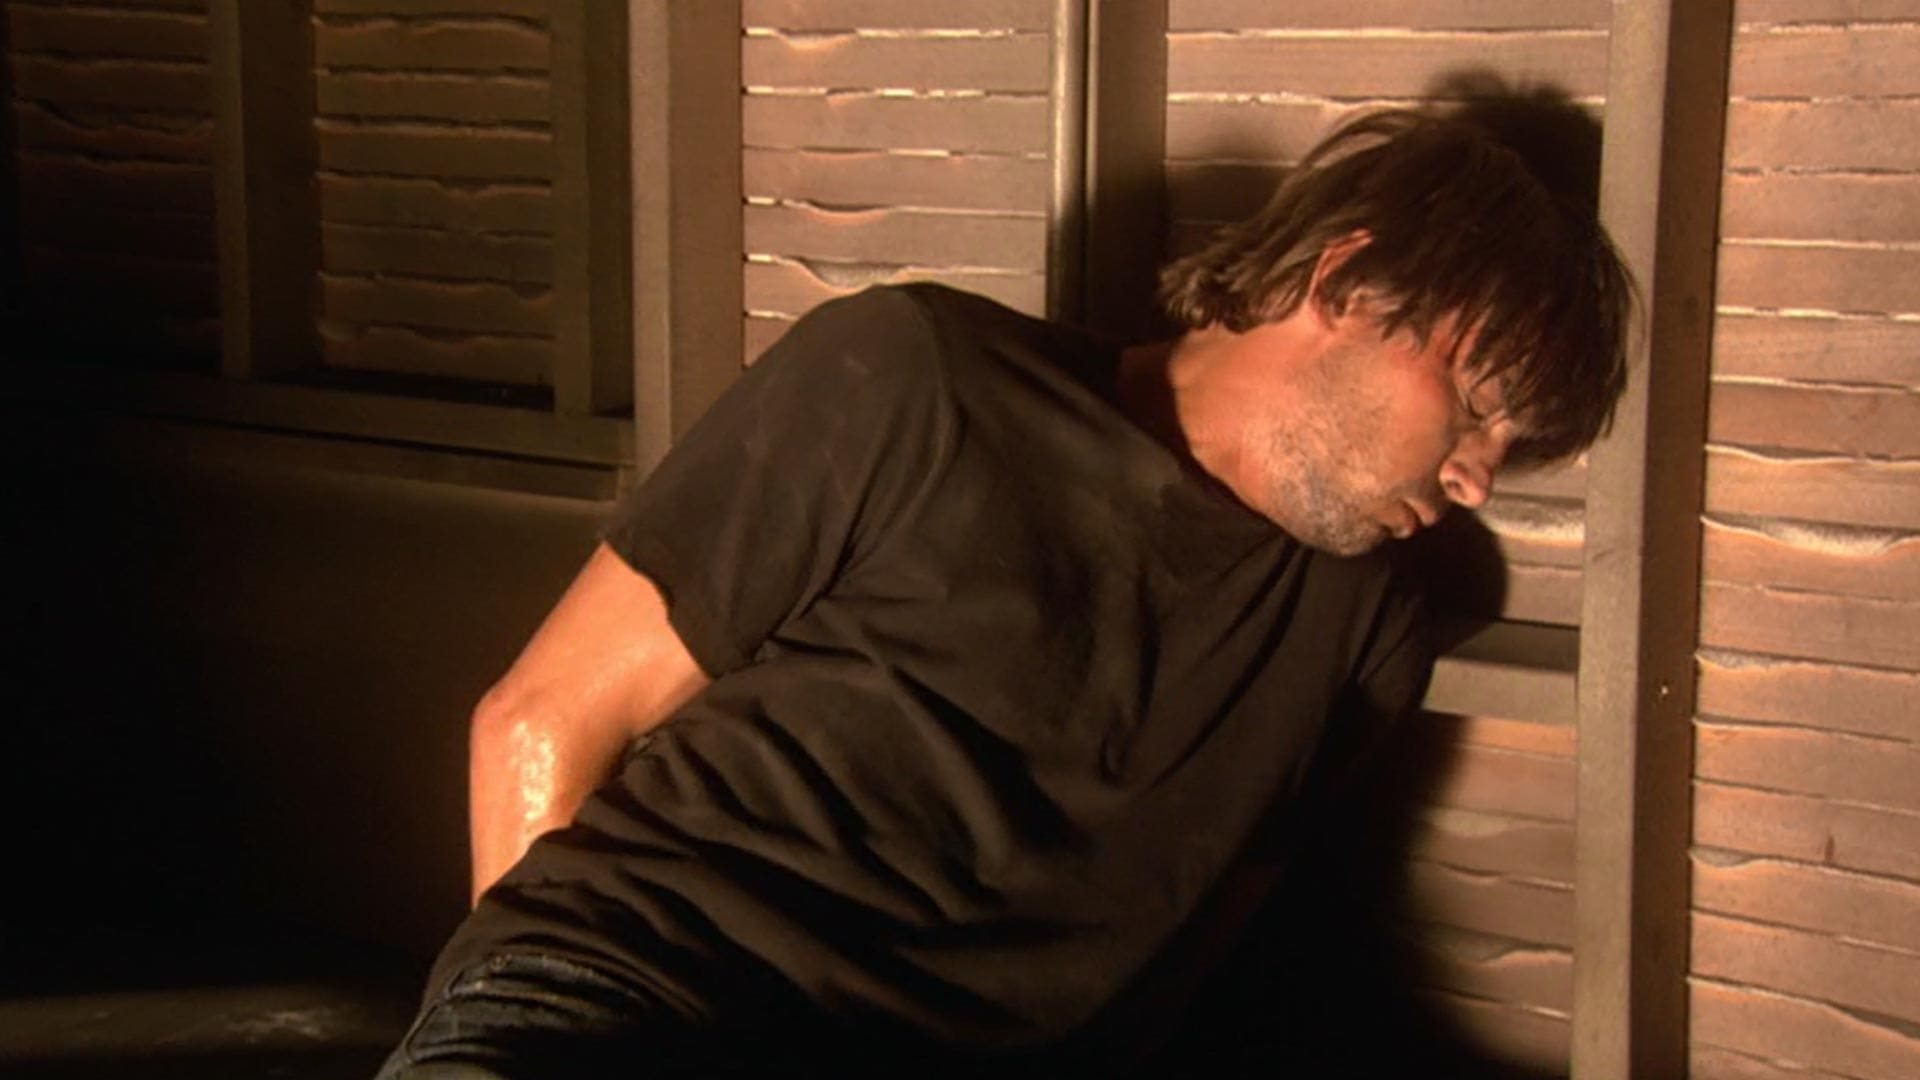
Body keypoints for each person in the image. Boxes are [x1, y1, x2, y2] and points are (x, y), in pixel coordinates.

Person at [375, 108, 1631, 1079]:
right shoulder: (919, 379)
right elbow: (540, 719)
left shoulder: (1362, 628)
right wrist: (515, 1011)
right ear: (1350, 284)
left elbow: (1191, 958)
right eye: (1476, 408)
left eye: (1508, 452)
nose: (1477, 479)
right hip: (638, 1003)